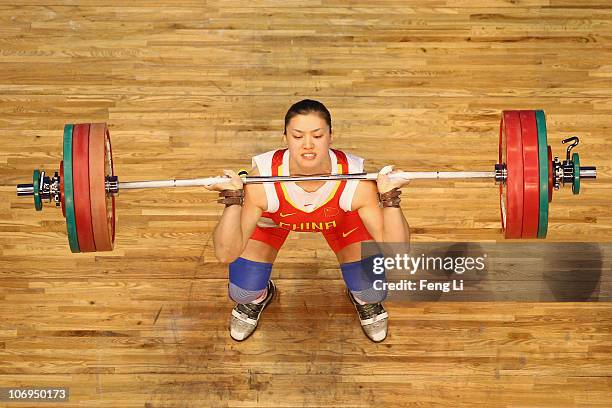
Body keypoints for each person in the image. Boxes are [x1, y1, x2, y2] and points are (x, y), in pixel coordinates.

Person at [205, 99, 410, 342]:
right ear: (285, 138)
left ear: (330, 136)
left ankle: (362, 297)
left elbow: (397, 251)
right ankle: (260, 296)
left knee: (372, 290)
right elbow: (225, 253)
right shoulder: (262, 183)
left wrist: (389, 198)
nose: (308, 145)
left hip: (340, 220)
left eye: (317, 135)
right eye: (298, 136)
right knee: (243, 291)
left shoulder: (356, 183)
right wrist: (233, 199)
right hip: (273, 221)